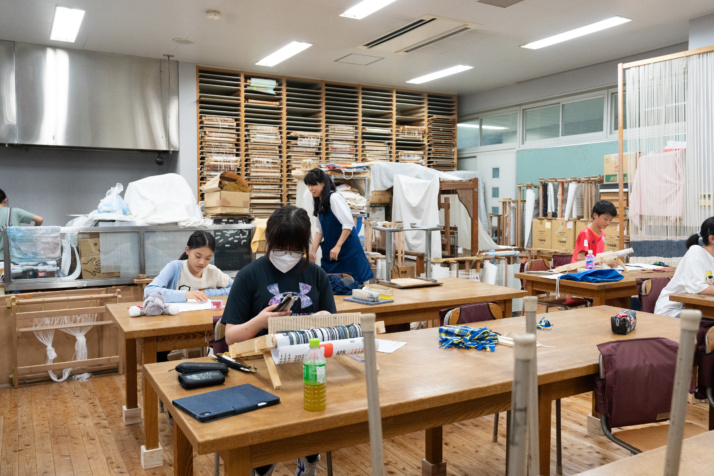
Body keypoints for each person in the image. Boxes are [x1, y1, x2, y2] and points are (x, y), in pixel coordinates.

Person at [222, 205, 335, 476]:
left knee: (313, 416)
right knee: (268, 430)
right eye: (281, 248)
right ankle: (264, 463)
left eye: (295, 249)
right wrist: (260, 322)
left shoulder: (316, 274)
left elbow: (334, 327)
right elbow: (230, 336)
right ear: (269, 242)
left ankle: (308, 459)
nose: (288, 255)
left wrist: (324, 319)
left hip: (307, 367)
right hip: (259, 371)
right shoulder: (250, 275)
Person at [304, 168, 373, 285]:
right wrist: (313, 251)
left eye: (313, 185)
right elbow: (319, 230)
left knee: (353, 286)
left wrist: (338, 246)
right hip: (332, 252)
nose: (310, 189)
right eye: (309, 185)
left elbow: (348, 224)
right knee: (331, 286)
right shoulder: (319, 201)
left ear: (323, 183)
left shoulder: (334, 198)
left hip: (347, 251)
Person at [145, 231, 233, 302]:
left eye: (208, 258)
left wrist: (207, 293)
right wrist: (186, 294)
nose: (202, 262)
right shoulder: (174, 268)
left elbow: (235, 288)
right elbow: (149, 291)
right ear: (187, 250)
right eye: (198, 256)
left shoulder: (213, 272)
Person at [655, 217, 714, 317]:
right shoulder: (696, 252)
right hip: (673, 311)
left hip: (698, 309)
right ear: (712, 239)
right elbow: (699, 288)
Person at [0, 188, 43, 255]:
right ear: (5, 199)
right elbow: (40, 219)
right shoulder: (15, 212)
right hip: (12, 258)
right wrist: (32, 233)